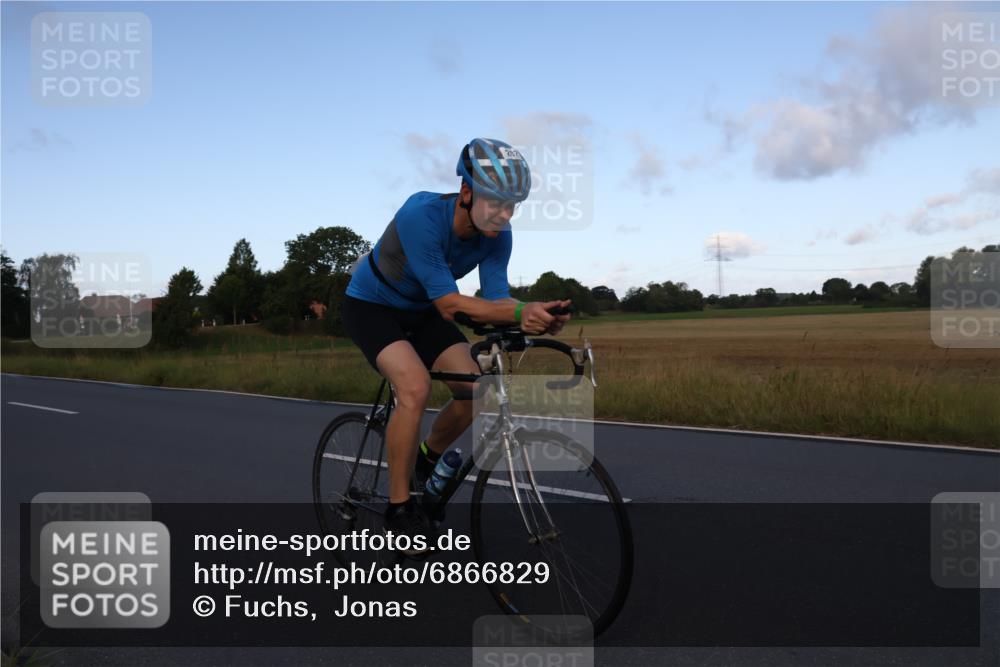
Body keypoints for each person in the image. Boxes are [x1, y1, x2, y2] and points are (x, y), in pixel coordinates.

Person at [341, 138, 572, 554]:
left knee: (476, 389)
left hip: (422, 310)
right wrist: (520, 314)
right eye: (496, 203)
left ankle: (427, 457)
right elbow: (450, 304)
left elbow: (497, 299)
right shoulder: (421, 216)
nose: (504, 215)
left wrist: (536, 312)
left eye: (512, 205)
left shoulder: (497, 235)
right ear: (466, 192)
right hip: (372, 307)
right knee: (413, 387)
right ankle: (399, 508)